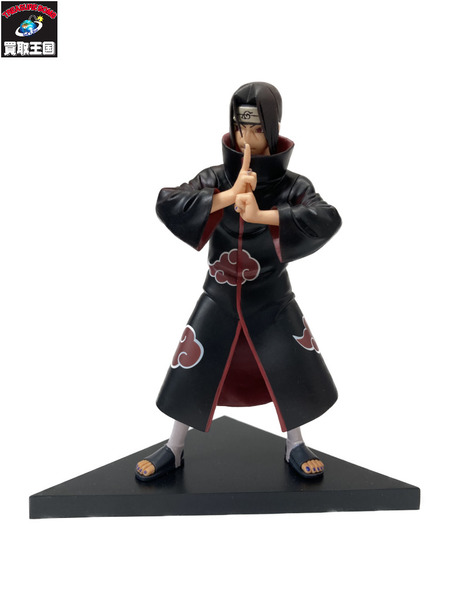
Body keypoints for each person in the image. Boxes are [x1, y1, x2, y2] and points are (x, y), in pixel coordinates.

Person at [136, 82, 342, 482]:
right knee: (193, 368)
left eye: (257, 128)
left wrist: (264, 215)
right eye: (240, 126)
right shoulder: (214, 177)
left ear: (273, 128)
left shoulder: (293, 185)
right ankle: (174, 447)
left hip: (272, 297)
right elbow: (168, 201)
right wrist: (227, 196)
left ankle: (295, 443)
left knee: (289, 368)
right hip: (219, 295)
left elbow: (327, 218)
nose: (247, 138)